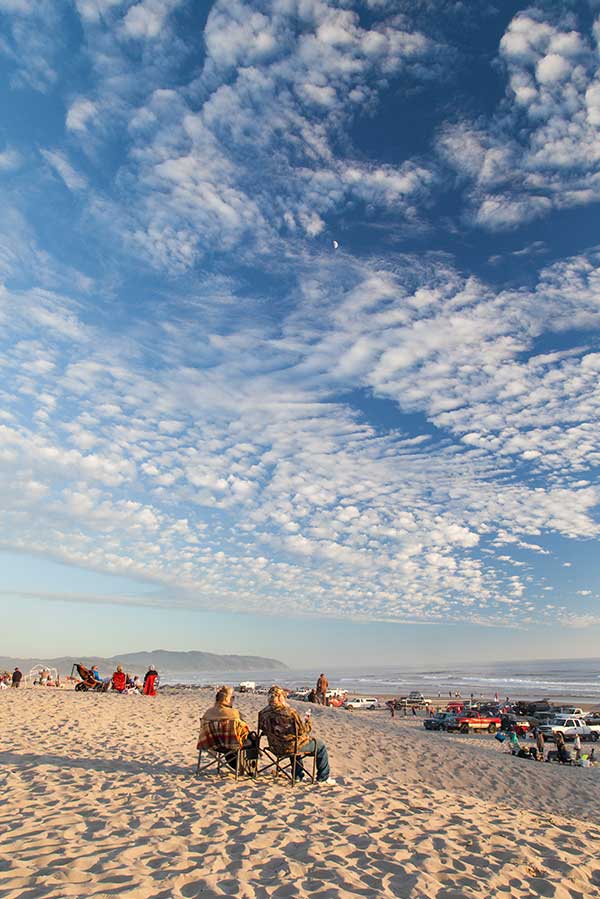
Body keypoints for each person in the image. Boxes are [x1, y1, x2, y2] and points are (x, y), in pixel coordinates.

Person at [259, 685, 336, 785]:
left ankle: (298, 775)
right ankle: (323, 778)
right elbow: (302, 731)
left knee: (292, 740)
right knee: (320, 745)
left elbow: (262, 729)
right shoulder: (289, 713)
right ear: (281, 698)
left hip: (274, 747)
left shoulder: (263, 713)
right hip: (289, 747)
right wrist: (308, 723)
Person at [199, 686, 251, 770]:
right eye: (232, 697)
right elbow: (244, 731)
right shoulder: (234, 713)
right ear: (227, 699)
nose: (233, 699)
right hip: (231, 745)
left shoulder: (208, 713)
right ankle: (246, 768)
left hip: (212, 744)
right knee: (251, 739)